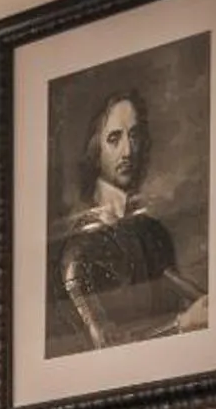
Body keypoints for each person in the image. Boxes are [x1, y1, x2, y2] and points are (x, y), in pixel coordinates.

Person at [51, 89, 205, 351]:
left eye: (134, 135)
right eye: (114, 138)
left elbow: (173, 281)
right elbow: (105, 343)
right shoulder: (79, 249)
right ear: (95, 150)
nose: (128, 150)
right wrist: (182, 324)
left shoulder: (152, 232)